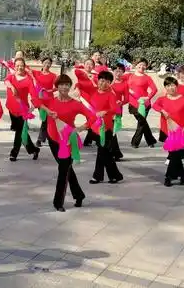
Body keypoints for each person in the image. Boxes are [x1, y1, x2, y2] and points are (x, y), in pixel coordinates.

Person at [41, 74, 93, 212]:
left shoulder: (76, 104)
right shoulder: (50, 100)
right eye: (61, 84)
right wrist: (47, 108)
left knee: (63, 170)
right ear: (57, 86)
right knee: (66, 168)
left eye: (67, 84)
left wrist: (80, 128)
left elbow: (93, 117)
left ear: (70, 86)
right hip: (53, 139)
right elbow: (36, 100)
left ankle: (58, 202)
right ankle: (79, 195)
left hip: (67, 141)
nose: (64, 87)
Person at [152, 77, 184, 187]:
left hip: (180, 131)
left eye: (173, 85)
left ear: (176, 86)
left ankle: (168, 177)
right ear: (165, 87)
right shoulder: (162, 99)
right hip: (167, 130)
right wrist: (162, 110)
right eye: (168, 86)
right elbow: (154, 105)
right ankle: (183, 176)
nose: (171, 88)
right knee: (176, 155)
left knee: (174, 155)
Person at [87, 71, 124, 185]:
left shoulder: (110, 95)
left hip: (106, 128)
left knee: (102, 152)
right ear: (98, 81)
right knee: (104, 152)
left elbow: (116, 109)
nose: (103, 83)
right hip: (95, 126)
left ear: (110, 83)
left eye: (107, 82)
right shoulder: (93, 92)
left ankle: (98, 176)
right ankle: (115, 176)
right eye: (102, 80)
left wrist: (105, 111)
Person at [4, 58, 40, 161]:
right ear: (14, 66)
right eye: (17, 65)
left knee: (19, 133)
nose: (19, 67)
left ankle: (14, 153)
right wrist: (12, 87)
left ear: (24, 67)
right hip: (11, 109)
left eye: (21, 66)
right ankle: (34, 149)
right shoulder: (11, 76)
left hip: (22, 111)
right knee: (21, 132)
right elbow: (6, 81)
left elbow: (34, 95)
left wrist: (32, 107)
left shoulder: (28, 80)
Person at [128, 59, 158, 148]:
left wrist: (148, 97)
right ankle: (151, 141)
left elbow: (154, 89)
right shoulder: (129, 76)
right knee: (142, 122)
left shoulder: (147, 78)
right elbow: (124, 85)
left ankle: (135, 142)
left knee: (141, 123)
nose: (142, 66)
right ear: (136, 65)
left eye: (144, 65)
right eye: (140, 64)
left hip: (144, 104)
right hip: (133, 104)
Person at [31, 57, 57, 146]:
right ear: (42, 63)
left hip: (50, 100)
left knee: (47, 119)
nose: (47, 65)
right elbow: (25, 69)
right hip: (40, 100)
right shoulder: (36, 73)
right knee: (44, 119)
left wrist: (49, 90)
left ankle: (41, 139)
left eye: (49, 63)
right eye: (45, 62)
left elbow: (57, 87)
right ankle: (43, 138)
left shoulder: (53, 75)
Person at [109, 63, 129, 160]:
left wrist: (121, 102)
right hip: (106, 109)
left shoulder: (124, 84)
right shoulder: (108, 82)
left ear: (123, 72)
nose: (118, 73)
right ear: (113, 71)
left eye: (120, 71)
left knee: (112, 131)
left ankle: (115, 153)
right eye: (116, 71)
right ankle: (114, 153)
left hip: (117, 110)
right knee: (109, 132)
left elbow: (127, 98)